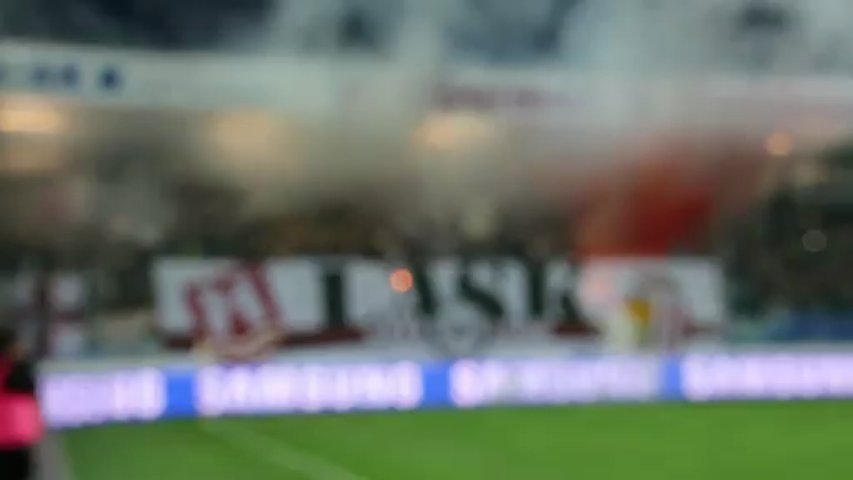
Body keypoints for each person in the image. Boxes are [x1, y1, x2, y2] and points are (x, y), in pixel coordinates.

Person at [0, 326, 42, 480]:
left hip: (16, 439)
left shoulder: (15, 370)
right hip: (11, 439)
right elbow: (28, 386)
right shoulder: (13, 371)